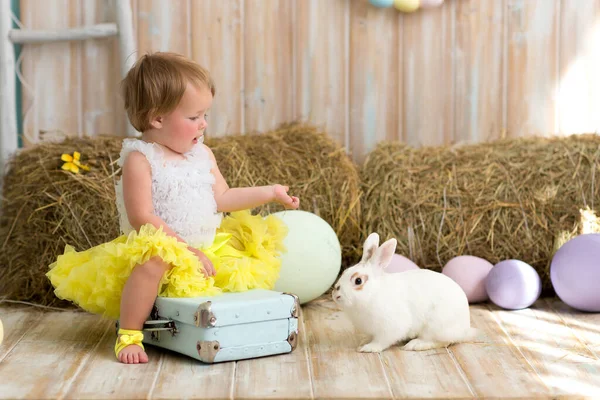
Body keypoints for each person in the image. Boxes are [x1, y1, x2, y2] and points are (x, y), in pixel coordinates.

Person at [46, 52, 300, 364]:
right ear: (157, 118)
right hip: (160, 243)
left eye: (205, 115)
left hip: (205, 246)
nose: (203, 124)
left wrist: (270, 192)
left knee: (243, 255)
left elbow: (223, 197)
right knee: (154, 262)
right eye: (194, 117)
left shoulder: (202, 154)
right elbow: (143, 217)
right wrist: (186, 251)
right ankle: (129, 335)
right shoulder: (141, 159)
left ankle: (227, 325)